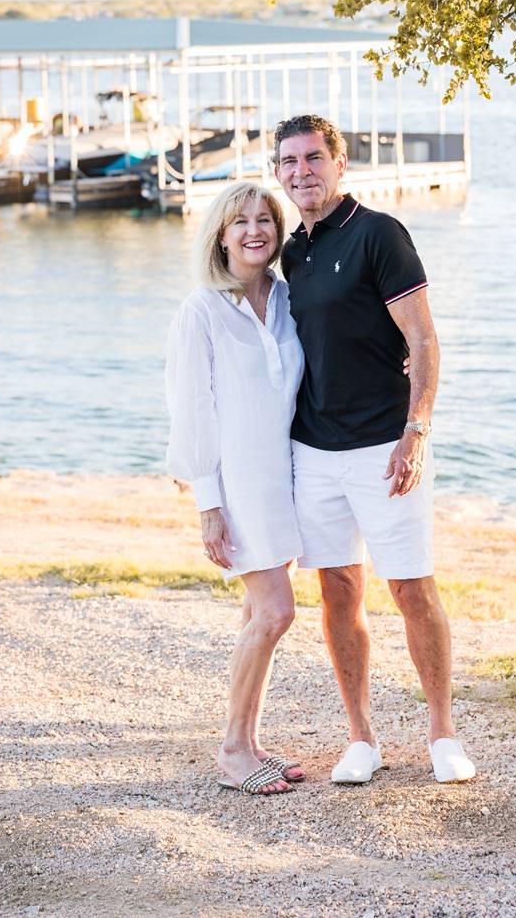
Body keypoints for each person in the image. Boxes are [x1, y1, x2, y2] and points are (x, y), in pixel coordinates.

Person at [274, 114, 476, 785]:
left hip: (386, 447)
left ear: (340, 162)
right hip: (314, 451)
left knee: (412, 588)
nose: (301, 172)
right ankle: (361, 738)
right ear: (278, 173)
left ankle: (443, 734)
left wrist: (417, 428)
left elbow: (422, 342)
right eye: (288, 162)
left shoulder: (379, 234)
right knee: (338, 591)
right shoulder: (292, 251)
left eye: (312, 158)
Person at [165, 181, 306, 795]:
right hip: (239, 483)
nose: (255, 230)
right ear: (221, 235)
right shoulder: (200, 309)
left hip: (288, 475)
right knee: (275, 611)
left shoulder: (288, 300)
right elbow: (191, 411)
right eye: (240, 221)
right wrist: (208, 507)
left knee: (257, 611)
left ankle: (248, 740)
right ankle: (231, 750)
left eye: (265, 220)